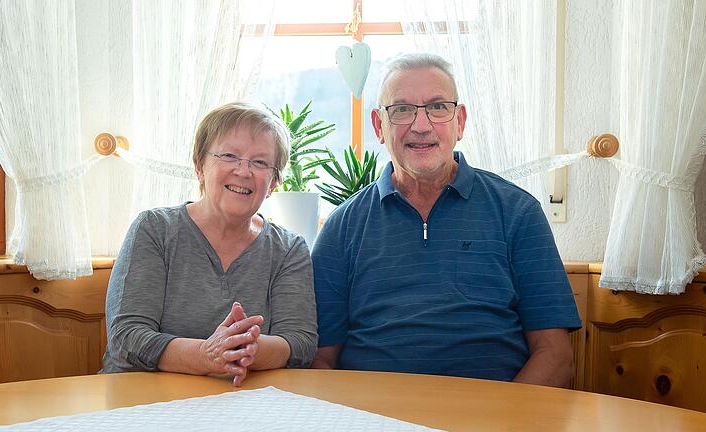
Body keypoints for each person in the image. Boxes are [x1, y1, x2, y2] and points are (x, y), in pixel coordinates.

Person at [311, 53, 581, 387]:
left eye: (438, 107)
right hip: (373, 417)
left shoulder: (518, 212)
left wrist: (506, 422)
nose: (421, 126)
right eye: (402, 110)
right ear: (379, 126)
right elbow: (320, 360)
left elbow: (555, 356)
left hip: (494, 416)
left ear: (460, 122)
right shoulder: (342, 227)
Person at [102, 102, 318, 386]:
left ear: (274, 182)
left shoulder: (289, 250)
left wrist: (247, 348)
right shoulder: (154, 229)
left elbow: (300, 344)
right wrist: (206, 354)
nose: (243, 171)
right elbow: (127, 336)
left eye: (260, 162)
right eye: (229, 155)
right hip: (143, 402)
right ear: (199, 165)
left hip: (244, 404)